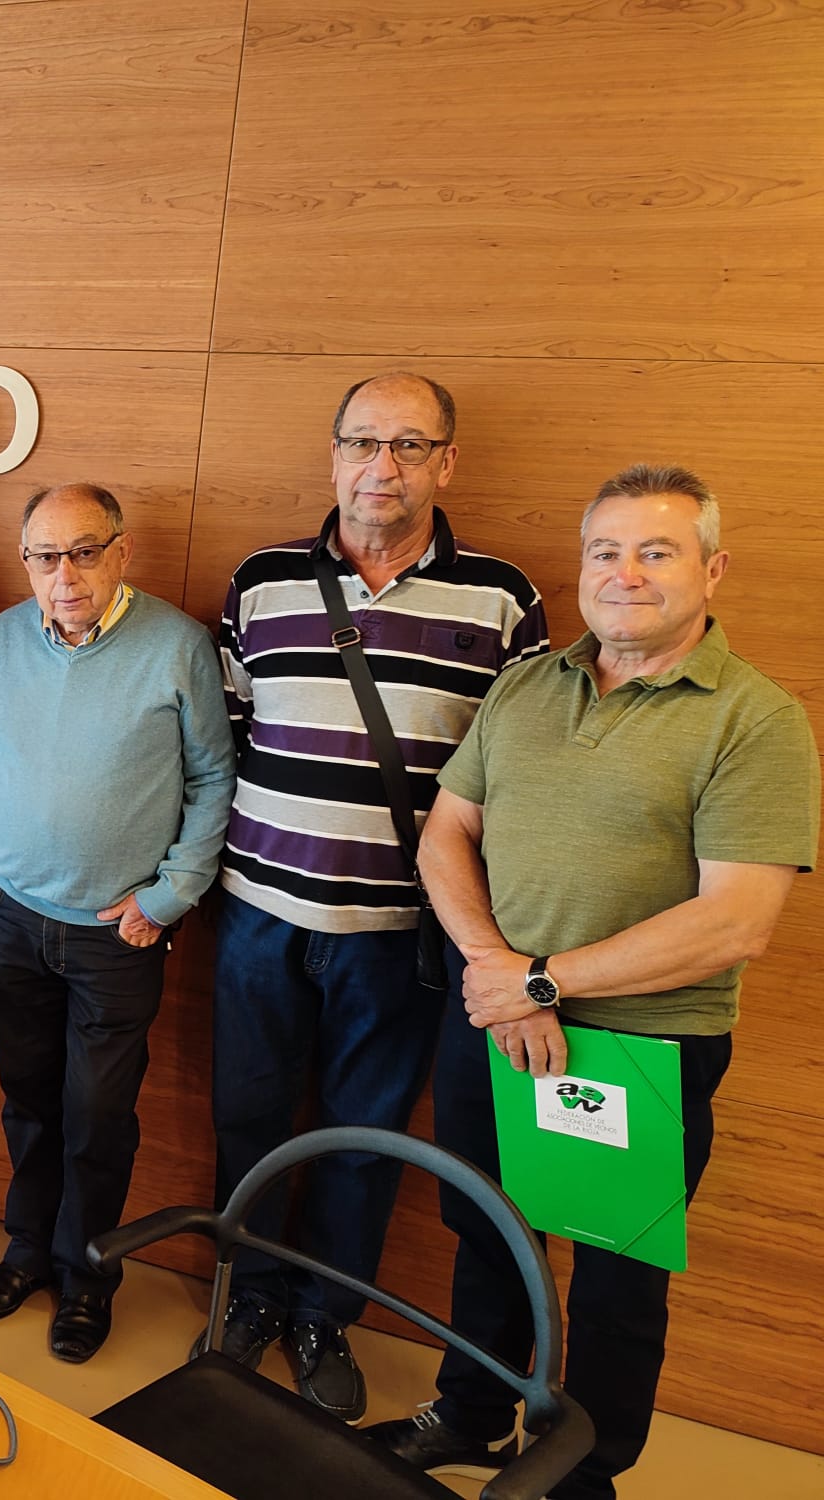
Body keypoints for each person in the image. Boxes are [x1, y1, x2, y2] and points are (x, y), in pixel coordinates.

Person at [369, 464, 818, 1498]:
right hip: (489, 1017)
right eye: (603, 552)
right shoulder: (527, 682)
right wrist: (494, 969)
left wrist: (540, 983)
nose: (623, 574)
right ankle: (475, 1415)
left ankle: (580, 1473)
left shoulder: (752, 720)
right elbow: (447, 831)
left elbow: (736, 922)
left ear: (711, 570)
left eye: (653, 552)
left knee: (616, 1276)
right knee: (480, 1229)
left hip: (632, 1047)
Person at [208, 372, 547, 1418]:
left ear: (445, 462)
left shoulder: (502, 599)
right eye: (361, 442)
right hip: (258, 915)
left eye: (408, 445)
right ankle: (247, 1299)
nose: (380, 465)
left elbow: (517, 784)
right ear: (332, 455)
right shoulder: (259, 582)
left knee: (364, 1134)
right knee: (248, 1122)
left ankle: (324, 1315)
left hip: (401, 938)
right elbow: (227, 741)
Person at [0, 482, 234, 1363]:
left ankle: (86, 1277)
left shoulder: (179, 646)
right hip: (7, 918)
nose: (62, 574)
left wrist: (169, 896)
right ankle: (27, 1253)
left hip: (119, 936)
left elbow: (215, 781)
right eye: (43, 556)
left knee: (97, 1116)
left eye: (82, 552)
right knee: (27, 1103)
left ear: (122, 552)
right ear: (25, 560)